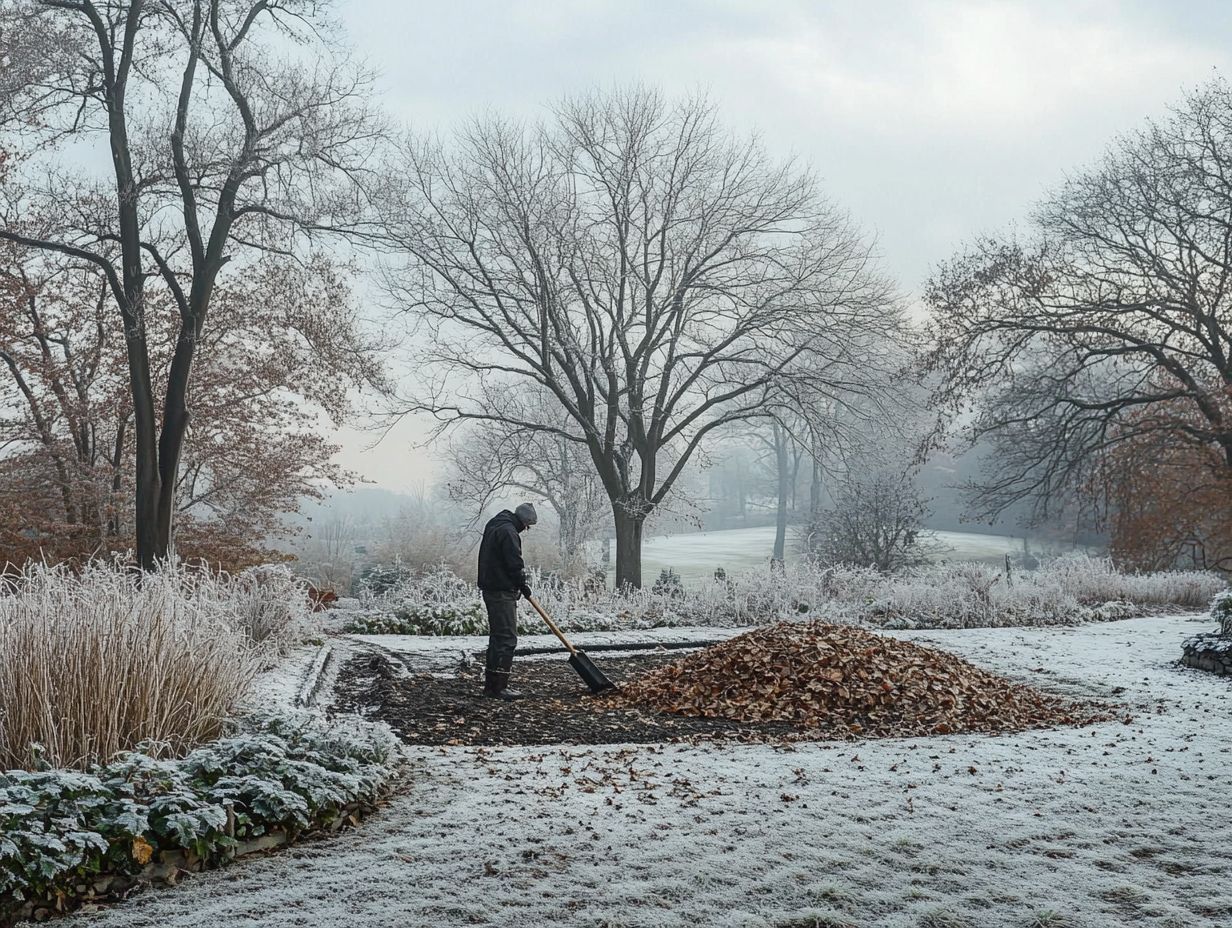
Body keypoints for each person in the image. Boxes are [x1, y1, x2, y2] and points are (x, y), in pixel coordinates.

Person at [476, 502, 538, 700]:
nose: (527, 530)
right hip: (501, 592)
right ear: (524, 521)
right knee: (507, 639)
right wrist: (522, 584)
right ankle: (499, 688)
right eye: (528, 526)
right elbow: (514, 564)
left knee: (497, 639)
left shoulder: (494, 525)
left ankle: (491, 686)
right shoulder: (509, 532)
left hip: (491, 589)